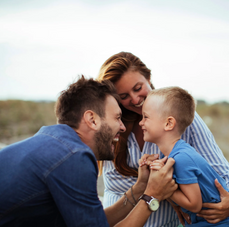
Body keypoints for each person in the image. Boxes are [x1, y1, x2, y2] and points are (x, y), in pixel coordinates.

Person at [0, 76, 177, 227]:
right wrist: (152, 196)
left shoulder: (54, 144)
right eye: (117, 118)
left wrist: (139, 189)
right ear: (92, 119)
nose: (123, 127)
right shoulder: (74, 156)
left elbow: (95, 222)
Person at [97, 52, 229, 227]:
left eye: (138, 88)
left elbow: (220, 169)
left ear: (148, 78)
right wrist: (155, 188)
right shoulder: (113, 127)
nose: (135, 99)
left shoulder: (178, 117)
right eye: (124, 96)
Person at [139, 87, 229, 227]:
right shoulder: (168, 154)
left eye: (146, 117)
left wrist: (164, 188)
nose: (141, 122)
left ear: (168, 123)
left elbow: (194, 205)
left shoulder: (182, 158)